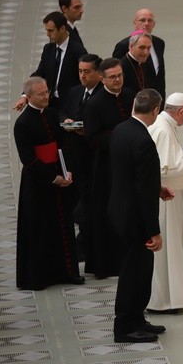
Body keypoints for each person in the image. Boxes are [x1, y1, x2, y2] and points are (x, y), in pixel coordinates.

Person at [109, 88, 172, 343]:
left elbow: (131, 175)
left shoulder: (121, 129)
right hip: (136, 219)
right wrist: (154, 232)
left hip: (120, 212)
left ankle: (136, 319)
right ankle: (124, 327)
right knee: (135, 274)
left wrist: (156, 188)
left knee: (135, 271)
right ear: (156, 111)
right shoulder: (144, 140)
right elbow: (143, 191)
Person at [13, 77, 84, 290]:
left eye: (47, 92)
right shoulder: (23, 123)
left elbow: (64, 145)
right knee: (40, 227)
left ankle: (66, 271)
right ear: (29, 97)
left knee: (62, 225)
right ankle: (39, 277)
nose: (46, 96)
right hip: (38, 183)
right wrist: (54, 178)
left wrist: (67, 170)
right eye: (40, 94)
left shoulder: (52, 114)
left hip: (59, 176)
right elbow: (29, 159)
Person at [147, 93, 183, 313]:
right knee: (167, 248)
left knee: (171, 247)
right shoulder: (163, 130)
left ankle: (170, 298)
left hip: (170, 195)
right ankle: (164, 300)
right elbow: (164, 170)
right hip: (166, 197)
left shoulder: (164, 125)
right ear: (179, 111)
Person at [82, 58, 135, 278]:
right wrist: (121, 136)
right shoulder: (94, 104)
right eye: (112, 77)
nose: (117, 80)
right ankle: (108, 264)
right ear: (102, 78)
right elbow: (92, 139)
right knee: (108, 213)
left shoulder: (131, 96)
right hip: (107, 168)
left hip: (131, 164)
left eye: (120, 75)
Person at [62, 54, 104, 262]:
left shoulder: (103, 96)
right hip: (74, 158)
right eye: (80, 71)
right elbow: (63, 112)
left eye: (87, 72)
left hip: (94, 160)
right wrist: (67, 121)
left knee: (88, 207)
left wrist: (86, 131)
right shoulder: (75, 92)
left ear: (98, 73)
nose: (82, 76)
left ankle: (86, 246)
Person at [13, 11, 87, 111]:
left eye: (51, 31)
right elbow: (40, 73)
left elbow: (84, 80)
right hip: (50, 104)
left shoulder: (78, 51)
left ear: (62, 29)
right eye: (47, 30)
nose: (47, 34)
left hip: (70, 106)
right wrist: (25, 96)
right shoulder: (48, 49)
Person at [112, 8, 165, 95]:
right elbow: (116, 73)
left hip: (156, 98)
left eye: (150, 20)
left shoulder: (159, 43)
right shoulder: (123, 45)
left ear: (154, 24)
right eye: (142, 20)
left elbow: (160, 74)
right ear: (134, 23)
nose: (146, 24)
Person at [119, 31, 165, 99]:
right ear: (131, 46)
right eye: (142, 47)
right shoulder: (121, 66)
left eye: (148, 48)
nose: (146, 52)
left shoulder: (144, 63)